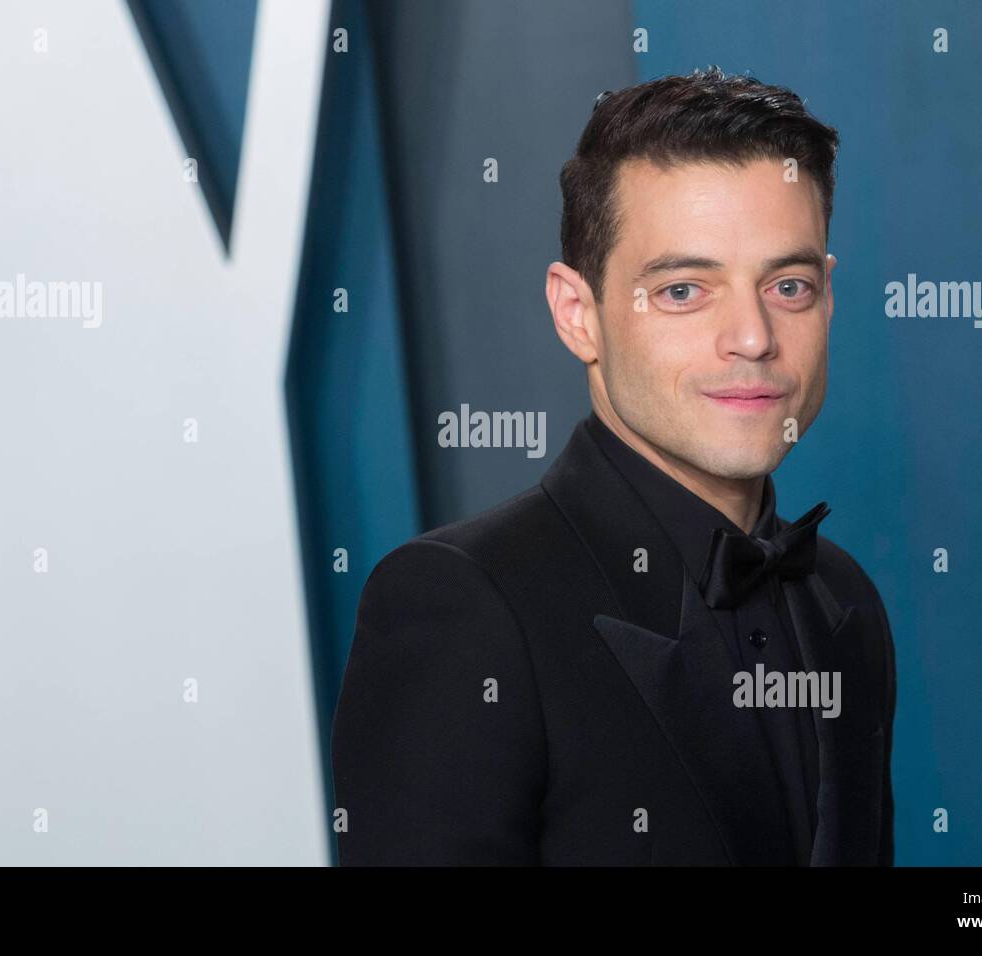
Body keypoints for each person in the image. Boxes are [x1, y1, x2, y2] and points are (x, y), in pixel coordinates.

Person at [331, 67, 895, 866]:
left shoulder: (845, 601)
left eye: (789, 285)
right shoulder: (461, 607)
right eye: (683, 291)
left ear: (828, 299)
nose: (752, 337)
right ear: (578, 315)